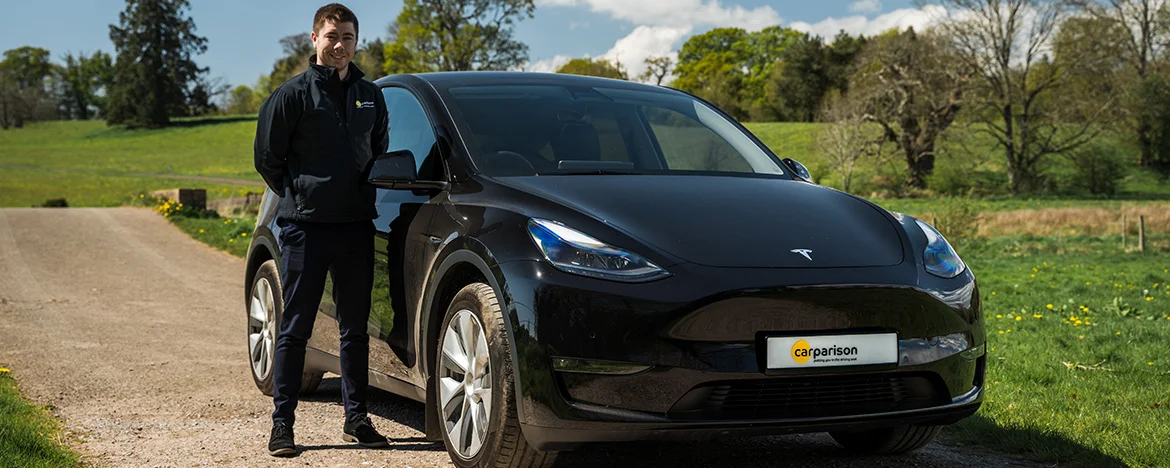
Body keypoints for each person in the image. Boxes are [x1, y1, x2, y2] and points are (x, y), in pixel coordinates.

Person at [253, 2, 389, 457]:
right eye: (332, 36)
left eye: (347, 37)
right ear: (314, 39)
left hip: (355, 228)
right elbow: (268, 158)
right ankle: (282, 425)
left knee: (355, 330)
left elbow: (378, 150)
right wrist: (299, 196)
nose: (339, 45)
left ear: (356, 41)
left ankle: (357, 419)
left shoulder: (371, 95)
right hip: (304, 231)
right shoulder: (291, 95)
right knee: (295, 329)